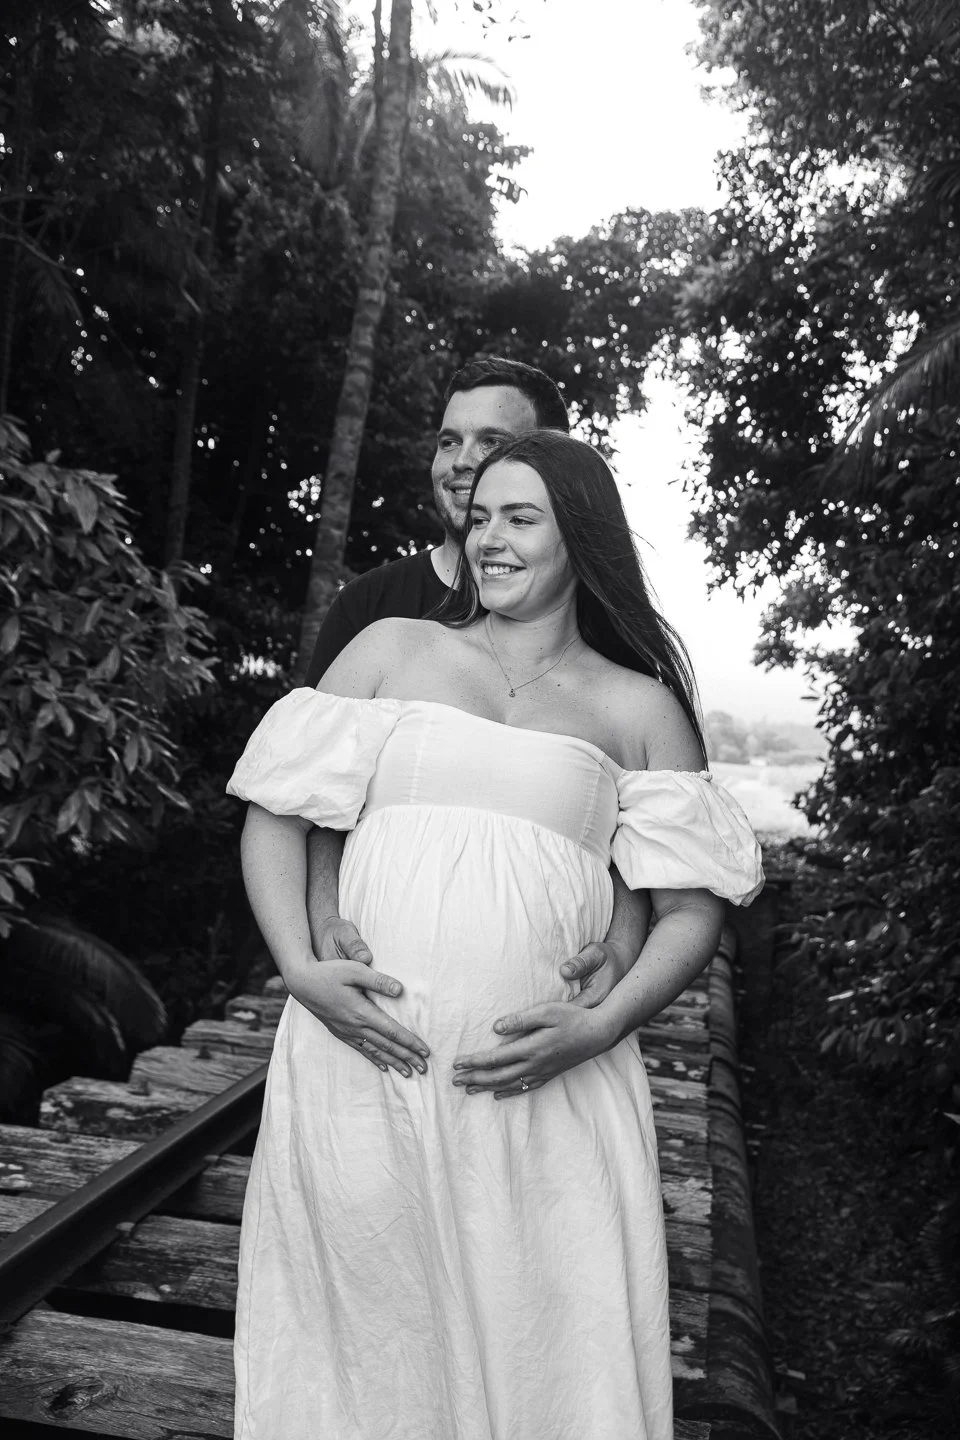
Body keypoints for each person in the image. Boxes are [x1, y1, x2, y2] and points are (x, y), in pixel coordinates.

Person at [227, 430, 764, 1440]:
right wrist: (300, 968)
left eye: (521, 518)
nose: (490, 540)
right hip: (363, 1066)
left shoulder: (635, 705)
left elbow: (694, 907)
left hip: (545, 1080)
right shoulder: (395, 652)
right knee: (362, 1339)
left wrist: (601, 1028)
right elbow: (277, 813)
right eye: (480, 518)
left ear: (581, 539)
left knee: (546, 1342)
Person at [301, 357, 649, 1080]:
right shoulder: (375, 612)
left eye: (488, 442)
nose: (461, 464)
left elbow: (640, 850)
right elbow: (310, 802)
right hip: (374, 989)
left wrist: (616, 955)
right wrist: (320, 932)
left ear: (550, 458)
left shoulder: (620, 665)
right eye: (447, 441)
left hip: (538, 1024)